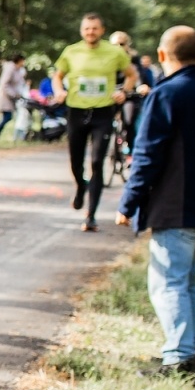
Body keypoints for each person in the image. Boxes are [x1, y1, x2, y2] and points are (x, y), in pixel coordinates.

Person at [117, 26, 195, 380]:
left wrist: (128, 202)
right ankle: (193, 349)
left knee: (167, 283)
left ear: (164, 55)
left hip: (176, 206)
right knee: (187, 282)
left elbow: (147, 154)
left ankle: (179, 359)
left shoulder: (166, 95)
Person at [54, 14, 136, 231]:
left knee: (97, 162)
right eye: (87, 28)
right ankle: (81, 186)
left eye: (95, 28)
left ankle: (91, 215)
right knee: (75, 161)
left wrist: (124, 92)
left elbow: (131, 75)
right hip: (76, 111)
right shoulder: (71, 51)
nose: (91, 32)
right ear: (82, 30)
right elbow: (57, 76)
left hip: (102, 112)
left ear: (102, 30)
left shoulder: (114, 52)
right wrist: (59, 90)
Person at [0, 53, 27, 140]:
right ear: (19, 60)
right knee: (8, 116)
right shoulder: (10, 68)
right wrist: (13, 94)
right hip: (5, 97)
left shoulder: (17, 69)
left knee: (8, 116)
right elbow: (4, 84)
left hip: (9, 97)